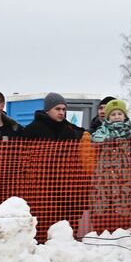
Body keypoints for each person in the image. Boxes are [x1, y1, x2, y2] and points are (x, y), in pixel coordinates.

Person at [21, 92, 94, 241]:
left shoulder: (69, 129)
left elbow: (85, 134)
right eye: (57, 109)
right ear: (48, 110)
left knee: (67, 218)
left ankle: (67, 242)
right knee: (43, 218)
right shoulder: (33, 129)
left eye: (63, 109)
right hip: (41, 184)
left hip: (66, 184)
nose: (61, 112)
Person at [84, 99, 131, 234]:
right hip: (102, 184)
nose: (117, 117)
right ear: (108, 117)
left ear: (125, 116)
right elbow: (90, 157)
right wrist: (96, 174)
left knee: (123, 216)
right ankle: (100, 237)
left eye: (120, 113)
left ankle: (122, 239)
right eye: (113, 114)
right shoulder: (97, 136)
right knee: (100, 215)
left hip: (124, 183)